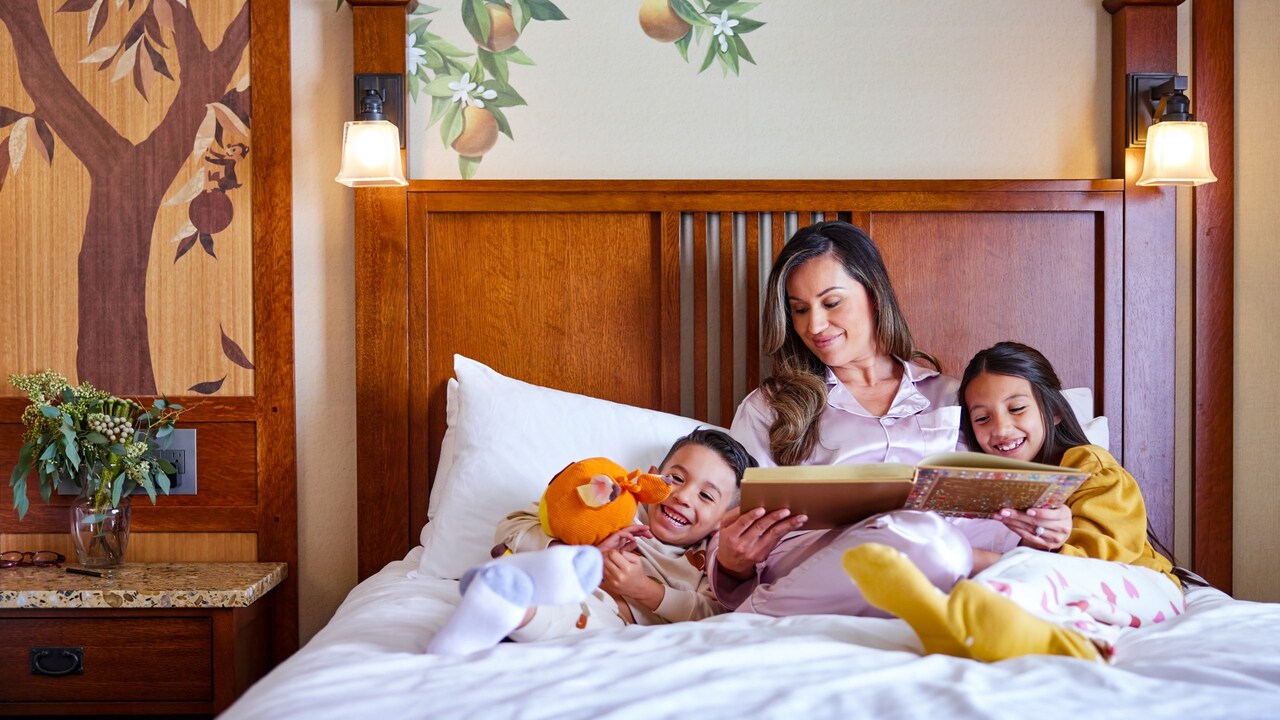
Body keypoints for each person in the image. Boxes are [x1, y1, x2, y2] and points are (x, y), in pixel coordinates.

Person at [711, 221, 1023, 617]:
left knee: (955, 537)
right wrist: (732, 562)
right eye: (800, 310)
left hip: (941, 562)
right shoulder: (768, 408)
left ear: (874, 294)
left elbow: (1002, 500)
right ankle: (760, 613)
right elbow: (723, 524)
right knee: (925, 538)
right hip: (817, 572)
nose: (814, 326)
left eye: (832, 302)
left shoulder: (952, 397)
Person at [843, 341, 1185, 662]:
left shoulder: (1089, 464)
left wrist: (973, 559)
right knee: (1037, 595)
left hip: (1145, 588)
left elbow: (1102, 558)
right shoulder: (993, 484)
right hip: (1081, 601)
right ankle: (966, 628)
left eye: (1017, 408)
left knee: (1035, 575)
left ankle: (966, 614)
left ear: (1053, 413)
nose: (1001, 428)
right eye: (982, 418)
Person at [427, 428, 756, 656]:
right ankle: (506, 595)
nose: (683, 496)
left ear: (721, 520)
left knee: (582, 616)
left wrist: (643, 589)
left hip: (608, 611)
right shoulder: (613, 502)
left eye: (705, 496)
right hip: (558, 575)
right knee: (546, 577)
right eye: (676, 478)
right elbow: (512, 526)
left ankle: (509, 608)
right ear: (652, 476)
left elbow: (714, 613)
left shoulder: (711, 557)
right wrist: (576, 555)